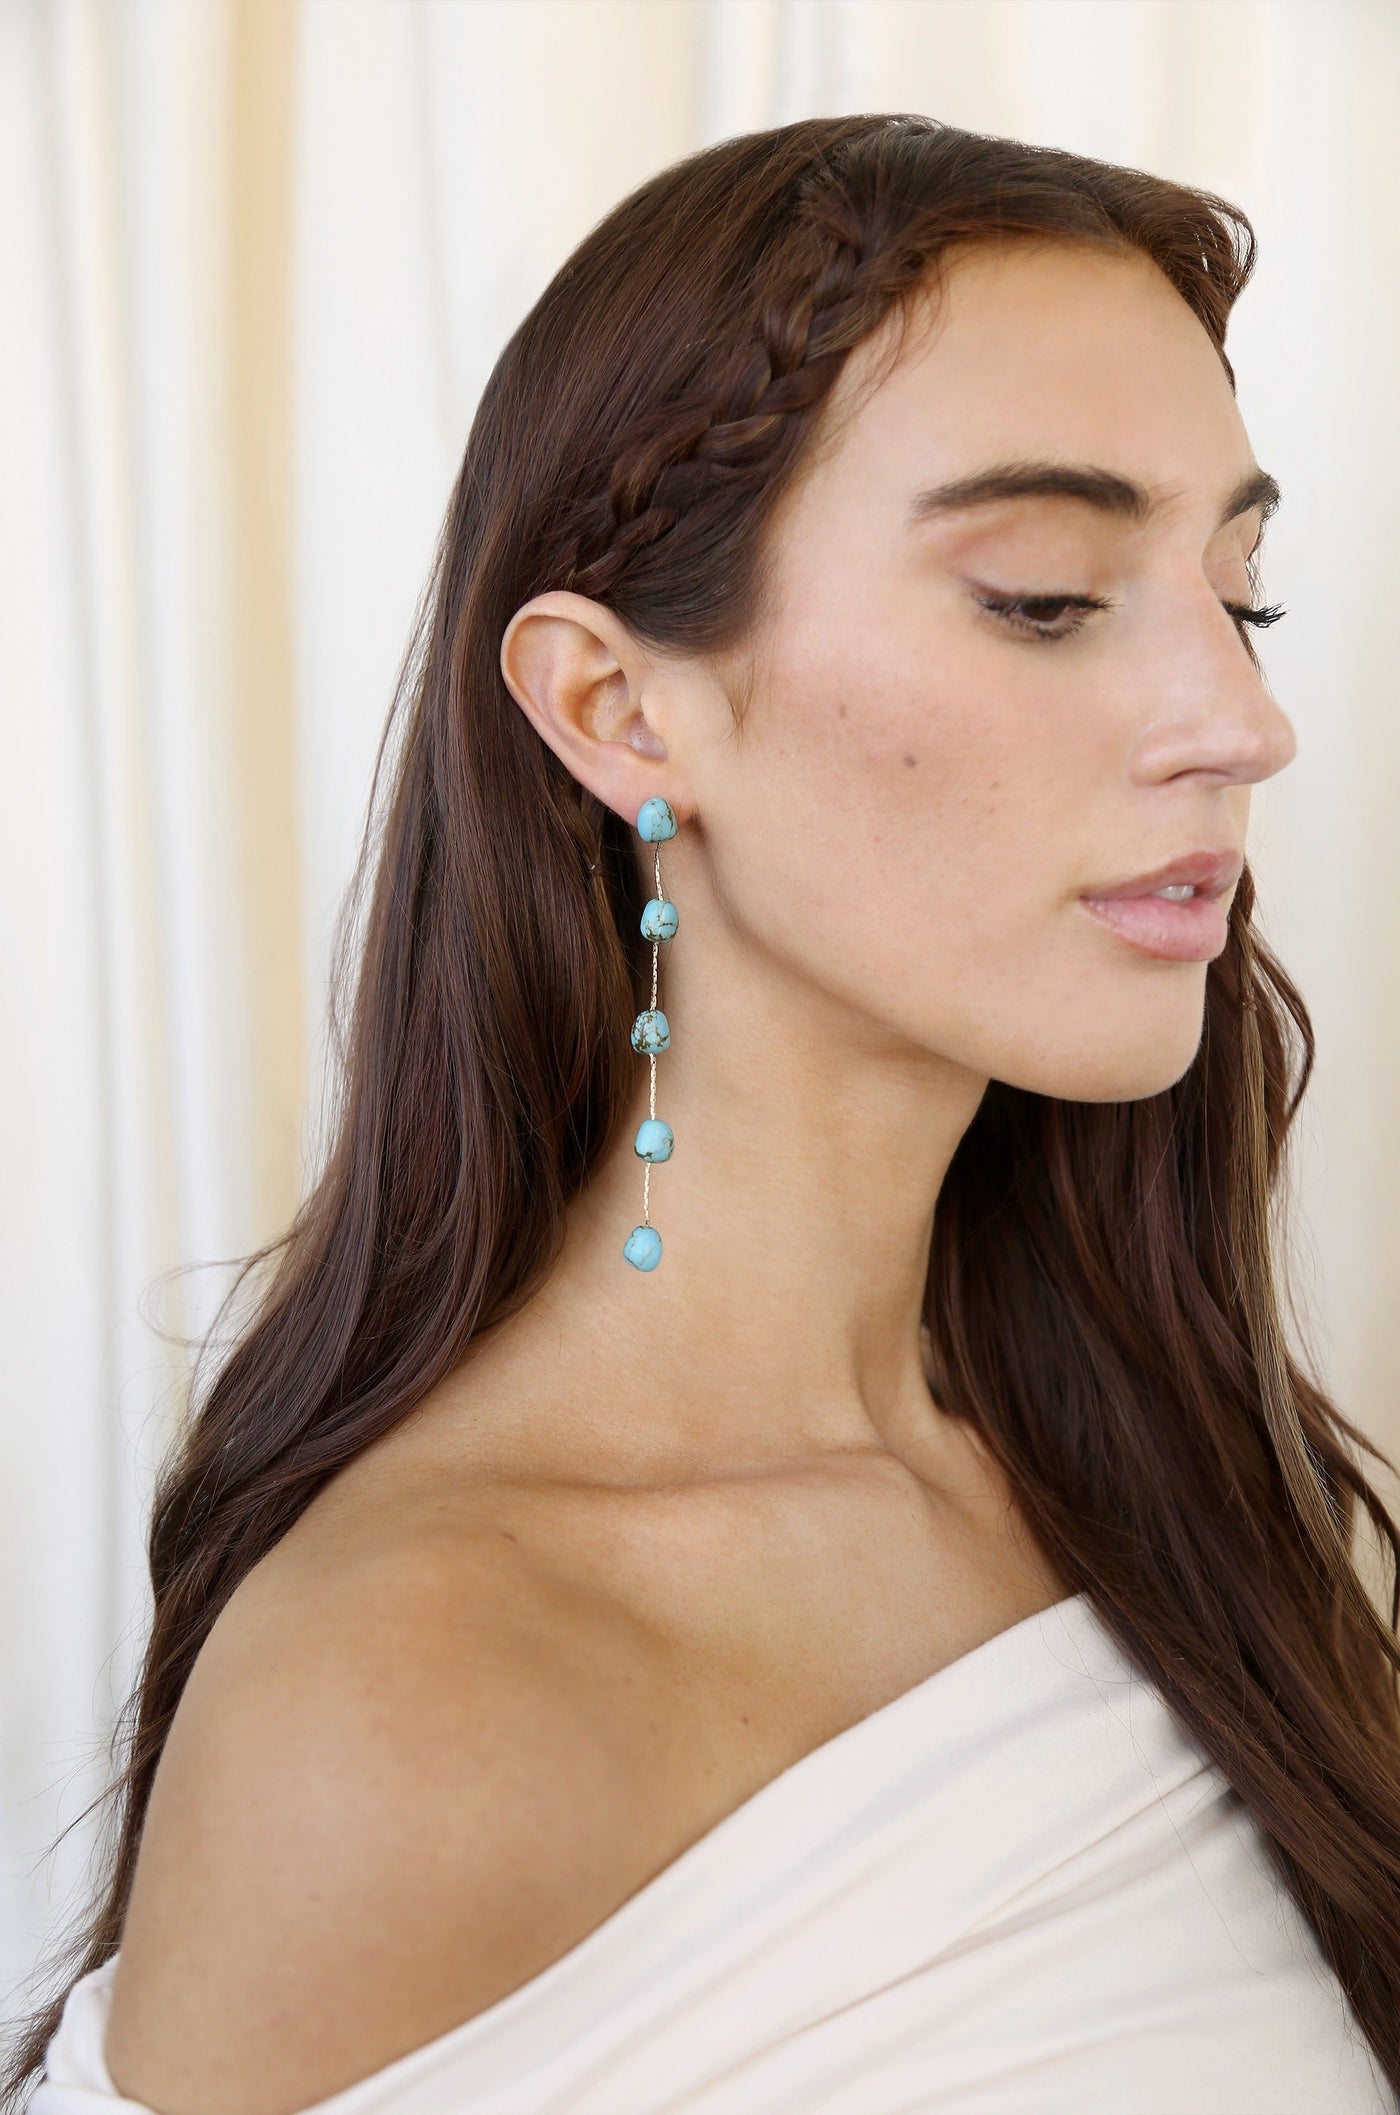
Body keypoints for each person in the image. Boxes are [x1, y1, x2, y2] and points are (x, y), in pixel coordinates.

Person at [10, 113, 1400, 2115]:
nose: (1238, 720)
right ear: (616, 710)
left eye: (1238, 594)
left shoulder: (1147, 1466)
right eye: (1041, 596)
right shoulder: (416, 1690)